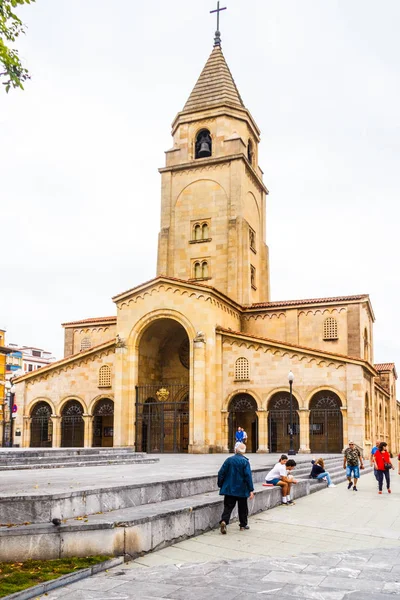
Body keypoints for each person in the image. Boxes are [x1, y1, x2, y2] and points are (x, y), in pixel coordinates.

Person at [218, 442, 254, 534]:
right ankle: (243, 525)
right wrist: (251, 489)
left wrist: (220, 484)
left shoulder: (229, 460)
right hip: (242, 489)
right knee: (243, 508)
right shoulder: (245, 461)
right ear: (244, 451)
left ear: (235, 450)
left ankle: (224, 521)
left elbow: (221, 473)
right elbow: (248, 476)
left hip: (229, 488)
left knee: (228, 507)